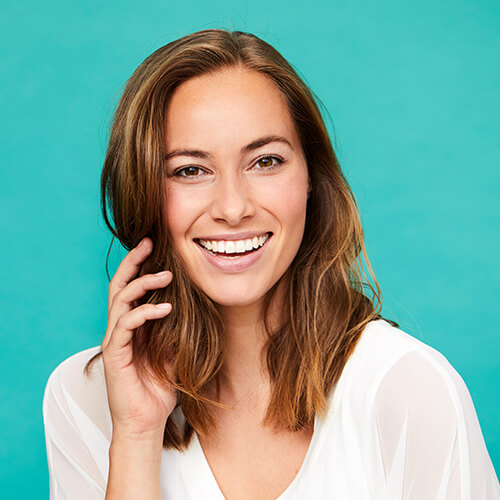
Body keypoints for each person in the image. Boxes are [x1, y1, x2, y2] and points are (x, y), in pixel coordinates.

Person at [43, 29, 500, 499]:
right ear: (144, 194)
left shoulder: (409, 390)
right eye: (190, 170)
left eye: (265, 161)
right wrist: (136, 437)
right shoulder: (85, 399)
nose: (233, 207)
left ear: (310, 179)